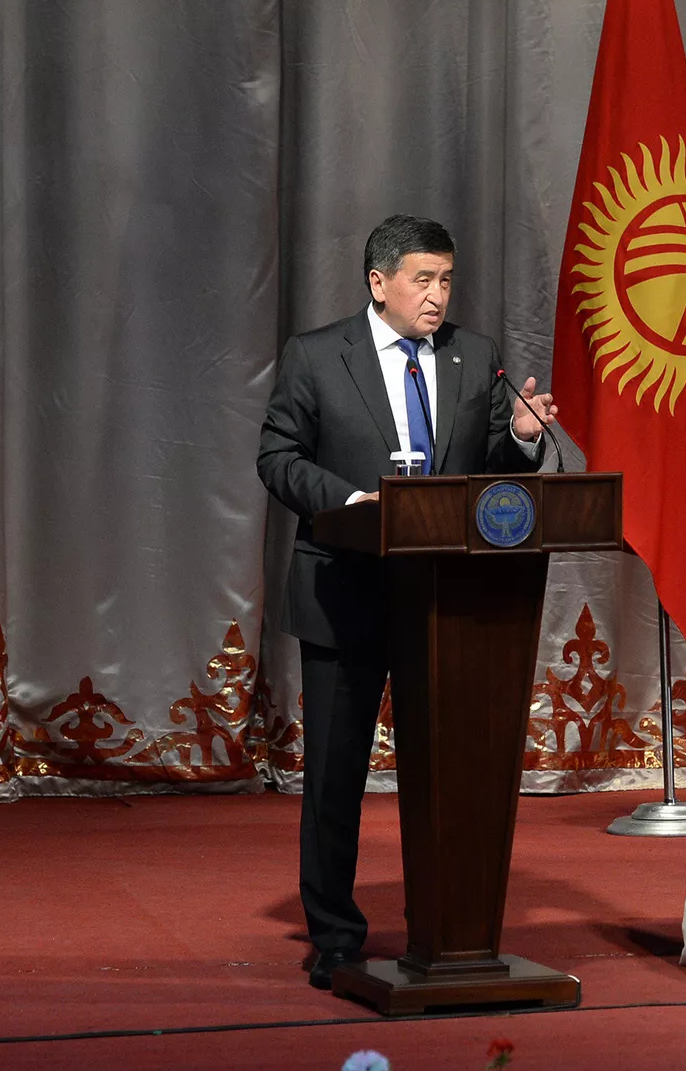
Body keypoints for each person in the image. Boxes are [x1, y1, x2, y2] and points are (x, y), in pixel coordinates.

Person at [257, 214, 558, 989]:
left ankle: (448, 927)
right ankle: (334, 935)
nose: (437, 295)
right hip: (345, 591)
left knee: (451, 773)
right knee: (335, 778)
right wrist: (351, 501)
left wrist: (522, 439)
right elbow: (278, 456)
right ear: (378, 282)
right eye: (423, 279)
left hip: (447, 605)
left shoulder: (473, 355)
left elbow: (488, 469)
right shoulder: (317, 355)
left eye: (446, 279)